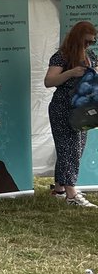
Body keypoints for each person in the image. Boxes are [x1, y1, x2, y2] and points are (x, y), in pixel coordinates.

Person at [44, 20, 98, 206]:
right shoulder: (61, 56)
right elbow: (49, 81)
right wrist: (71, 73)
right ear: (76, 39)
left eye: (92, 42)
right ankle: (71, 194)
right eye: (86, 42)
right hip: (62, 107)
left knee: (75, 148)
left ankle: (59, 188)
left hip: (82, 109)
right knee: (70, 149)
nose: (89, 45)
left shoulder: (91, 55)